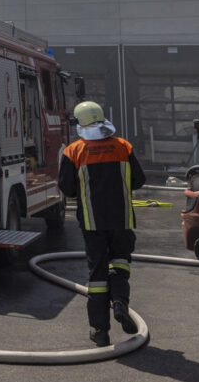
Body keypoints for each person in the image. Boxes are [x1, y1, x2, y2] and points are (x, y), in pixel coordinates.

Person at [58, 101, 146, 347]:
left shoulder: (74, 151)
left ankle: (99, 331)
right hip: (122, 219)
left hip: (92, 222)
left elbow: (66, 188)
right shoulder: (122, 146)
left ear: (80, 122)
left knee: (97, 276)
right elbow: (139, 180)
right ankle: (120, 301)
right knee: (120, 262)